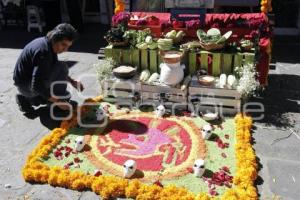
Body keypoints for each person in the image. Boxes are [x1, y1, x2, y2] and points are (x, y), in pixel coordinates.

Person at [13, 23, 84, 117]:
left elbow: (53, 67)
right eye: (63, 44)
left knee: (60, 67)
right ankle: (31, 98)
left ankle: (29, 99)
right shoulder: (44, 52)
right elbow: (36, 86)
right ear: (55, 39)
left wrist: (72, 81)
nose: (65, 49)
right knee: (62, 67)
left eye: (68, 46)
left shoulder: (48, 43)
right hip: (27, 86)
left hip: (27, 81)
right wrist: (58, 102)